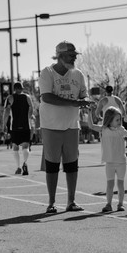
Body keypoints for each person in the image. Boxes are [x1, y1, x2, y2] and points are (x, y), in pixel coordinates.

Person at [39, 40, 93, 213]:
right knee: (52, 165)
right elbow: (46, 97)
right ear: (60, 56)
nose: (74, 58)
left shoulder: (78, 74)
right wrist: (74, 102)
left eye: (75, 55)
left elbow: (83, 95)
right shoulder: (47, 73)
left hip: (71, 125)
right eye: (71, 55)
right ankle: (52, 202)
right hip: (51, 125)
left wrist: (85, 101)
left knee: (72, 164)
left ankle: (71, 201)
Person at [88, 106, 127, 212]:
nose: (120, 122)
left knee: (120, 184)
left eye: (120, 119)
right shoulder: (104, 129)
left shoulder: (121, 130)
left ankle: (120, 204)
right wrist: (89, 112)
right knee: (110, 184)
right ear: (109, 120)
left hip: (121, 162)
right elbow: (91, 126)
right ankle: (108, 204)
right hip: (109, 162)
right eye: (117, 120)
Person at [2, 82, 34, 175]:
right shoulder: (27, 97)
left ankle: (18, 167)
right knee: (25, 146)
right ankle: (25, 163)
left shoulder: (10, 98)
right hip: (26, 125)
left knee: (15, 146)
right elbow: (31, 109)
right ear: (22, 88)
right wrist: (28, 119)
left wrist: (4, 125)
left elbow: (7, 112)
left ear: (14, 89)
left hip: (15, 126)